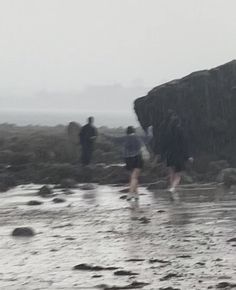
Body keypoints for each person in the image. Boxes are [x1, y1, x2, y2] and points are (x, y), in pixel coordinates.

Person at [161, 115, 193, 193]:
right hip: (179, 156)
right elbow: (184, 145)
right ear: (179, 123)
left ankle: (173, 191)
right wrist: (188, 156)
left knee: (171, 173)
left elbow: (163, 145)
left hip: (169, 156)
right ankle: (173, 188)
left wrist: (163, 156)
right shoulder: (181, 131)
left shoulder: (167, 132)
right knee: (178, 175)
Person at [124, 126, 143, 201]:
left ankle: (136, 194)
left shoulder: (125, 138)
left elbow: (115, 140)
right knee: (134, 177)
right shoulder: (137, 138)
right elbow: (140, 146)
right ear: (134, 131)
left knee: (132, 177)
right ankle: (130, 193)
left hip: (127, 158)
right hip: (137, 158)